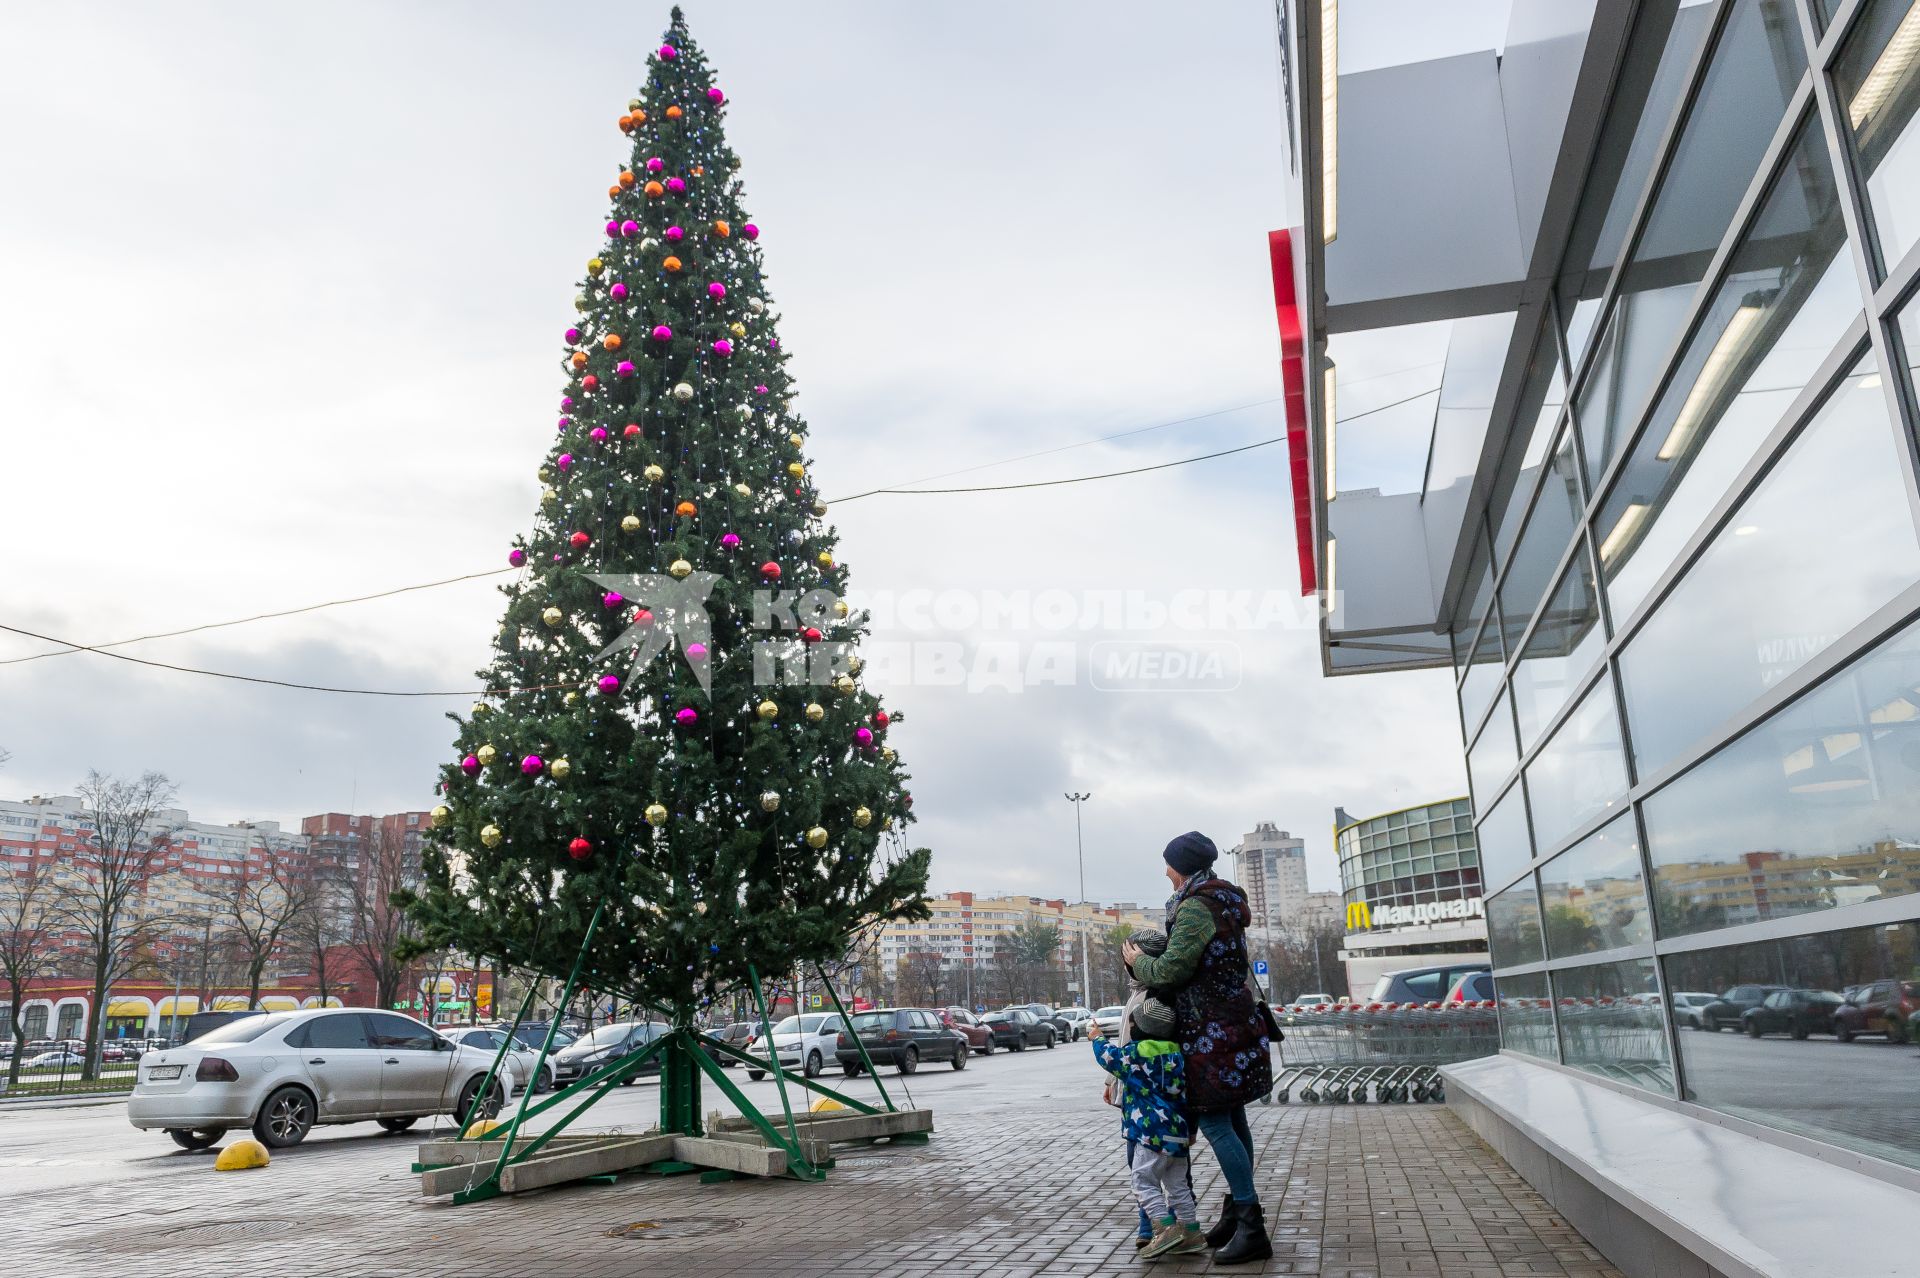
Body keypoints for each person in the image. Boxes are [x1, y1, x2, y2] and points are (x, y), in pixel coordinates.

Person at [1123, 830, 1273, 1266]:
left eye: (1168, 863)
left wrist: (1139, 963)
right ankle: (1236, 1211)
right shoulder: (1223, 899)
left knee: (1215, 1123)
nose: (1165, 870)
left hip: (1210, 1029)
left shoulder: (1196, 907)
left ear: (1183, 867)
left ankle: (1252, 1226)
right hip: (1234, 1022)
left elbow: (1171, 970)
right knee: (1234, 1116)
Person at [1091, 996, 1207, 1260]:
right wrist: (1191, 1130)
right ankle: (1191, 1231)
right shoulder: (1177, 1056)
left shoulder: (1136, 1054)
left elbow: (1109, 1057)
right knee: (1178, 1186)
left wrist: (1097, 1037)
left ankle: (1163, 1227)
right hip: (1177, 1133)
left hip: (1149, 1133)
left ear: (1140, 1028)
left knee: (1143, 1180)